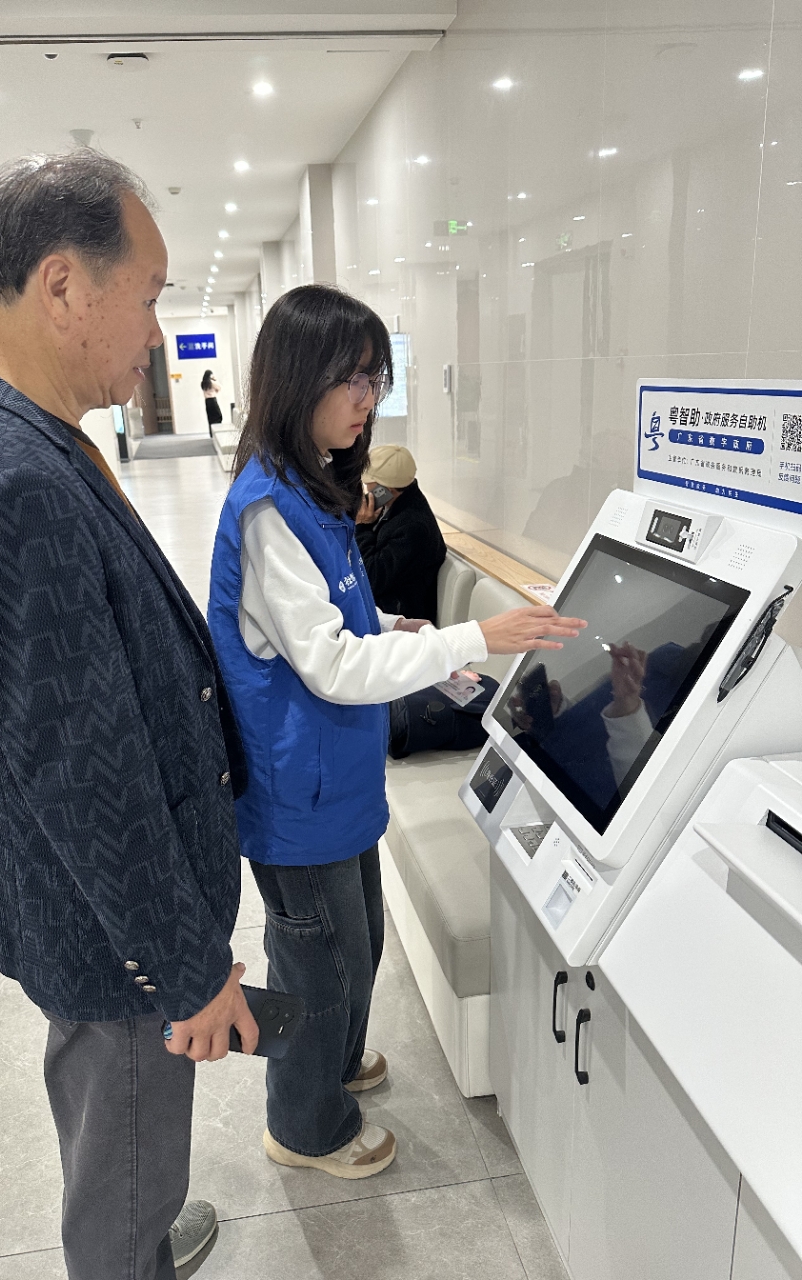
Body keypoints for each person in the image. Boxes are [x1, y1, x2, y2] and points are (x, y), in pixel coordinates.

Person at [0, 149, 258, 1280]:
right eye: (149, 296)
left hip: (104, 923)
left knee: (126, 1147)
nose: (156, 331)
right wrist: (188, 967)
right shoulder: (15, 482)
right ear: (63, 284)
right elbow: (83, 777)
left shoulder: (18, 438)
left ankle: (140, 1235)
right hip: (121, 946)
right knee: (123, 1160)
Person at [207, 284, 586, 1180]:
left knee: (358, 944)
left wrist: (394, 624)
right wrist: (471, 637)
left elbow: (334, 619)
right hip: (297, 796)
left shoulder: (314, 485)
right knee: (317, 964)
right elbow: (329, 665)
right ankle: (305, 1125)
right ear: (298, 378)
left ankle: (333, 1062)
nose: (367, 400)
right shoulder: (268, 509)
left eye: (376, 379)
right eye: (352, 380)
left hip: (336, 780)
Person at [355, 444, 447, 623]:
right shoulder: (396, 505)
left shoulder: (413, 527)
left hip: (400, 618)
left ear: (385, 490)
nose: (366, 489)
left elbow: (371, 577)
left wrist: (363, 527)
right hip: (385, 605)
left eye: (369, 485)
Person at [202, 368, 223, 433]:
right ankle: (217, 430)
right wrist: (215, 380)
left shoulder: (203, 383)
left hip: (207, 401)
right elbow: (219, 387)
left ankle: (211, 433)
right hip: (213, 400)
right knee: (219, 416)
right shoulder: (212, 382)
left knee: (210, 418)